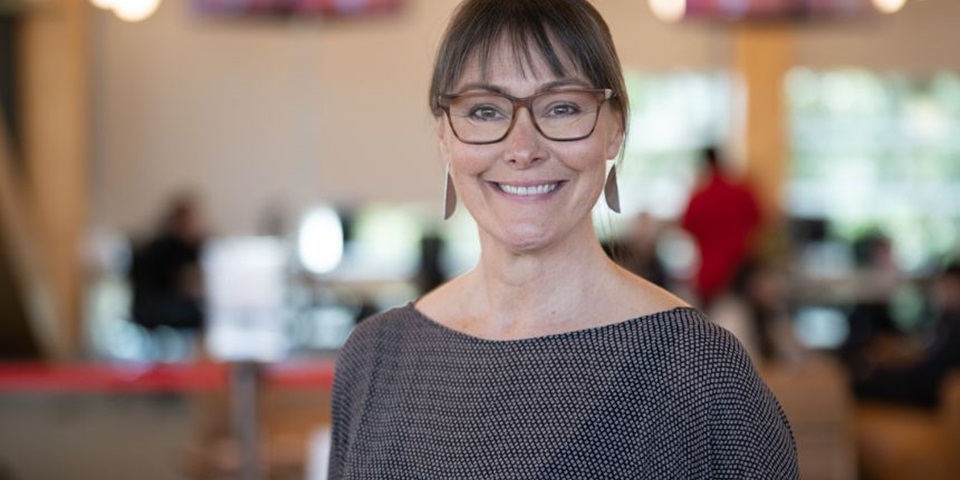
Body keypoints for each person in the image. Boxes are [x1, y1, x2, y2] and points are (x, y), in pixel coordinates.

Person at [328, 1, 798, 478]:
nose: (523, 149)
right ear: (444, 135)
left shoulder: (701, 372)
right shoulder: (374, 358)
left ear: (614, 129)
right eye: (485, 110)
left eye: (562, 108)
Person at [852, 261, 960, 410]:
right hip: (922, 380)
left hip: (927, 388)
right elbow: (927, 351)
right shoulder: (947, 320)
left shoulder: (955, 325)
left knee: (861, 381)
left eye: (947, 286)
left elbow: (933, 370)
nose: (943, 292)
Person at [680, 146, 763, 308]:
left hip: (708, 274)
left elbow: (686, 227)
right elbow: (759, 221)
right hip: (739, 271)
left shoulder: (699, 197)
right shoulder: (742, 191)